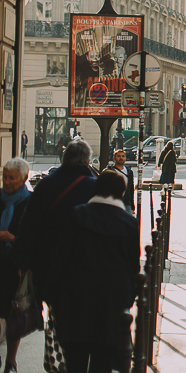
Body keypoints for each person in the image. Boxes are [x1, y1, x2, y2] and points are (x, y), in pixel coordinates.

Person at [53, 171, 139, 372]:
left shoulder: (78, 215)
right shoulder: (129, 223)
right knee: (103, 361)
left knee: (75, 361)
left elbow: (62, 260)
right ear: (121, 193)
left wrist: (55, 298)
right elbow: (132, 269)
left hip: (76, 300)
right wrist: (127, 300)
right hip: (112, 302)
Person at [12, 141, 96, 307]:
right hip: (84, 264)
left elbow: (29, 225)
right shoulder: (95, 186)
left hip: (47, 262)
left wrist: (23, 262)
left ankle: (54, 327)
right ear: (87, 161)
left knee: (55, 305)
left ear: (64, 158)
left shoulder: (46, 184)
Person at [0, 159, 32, 372]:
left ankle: (10, 362)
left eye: (12, 178)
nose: (7, 181)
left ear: (24, 179)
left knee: (13, 315)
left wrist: (13, 237)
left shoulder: (30, 202)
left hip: (15, 267)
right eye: (5, 177)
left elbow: (35, 237)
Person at [110, 149, 135, 214]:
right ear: (114, 158)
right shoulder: (110, 171)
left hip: (126, 203)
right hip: (113, 203)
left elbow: (131, 189)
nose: (121, 158)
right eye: (118, 156)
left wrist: (132, 206)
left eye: (123, 156)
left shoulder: (129, 172)